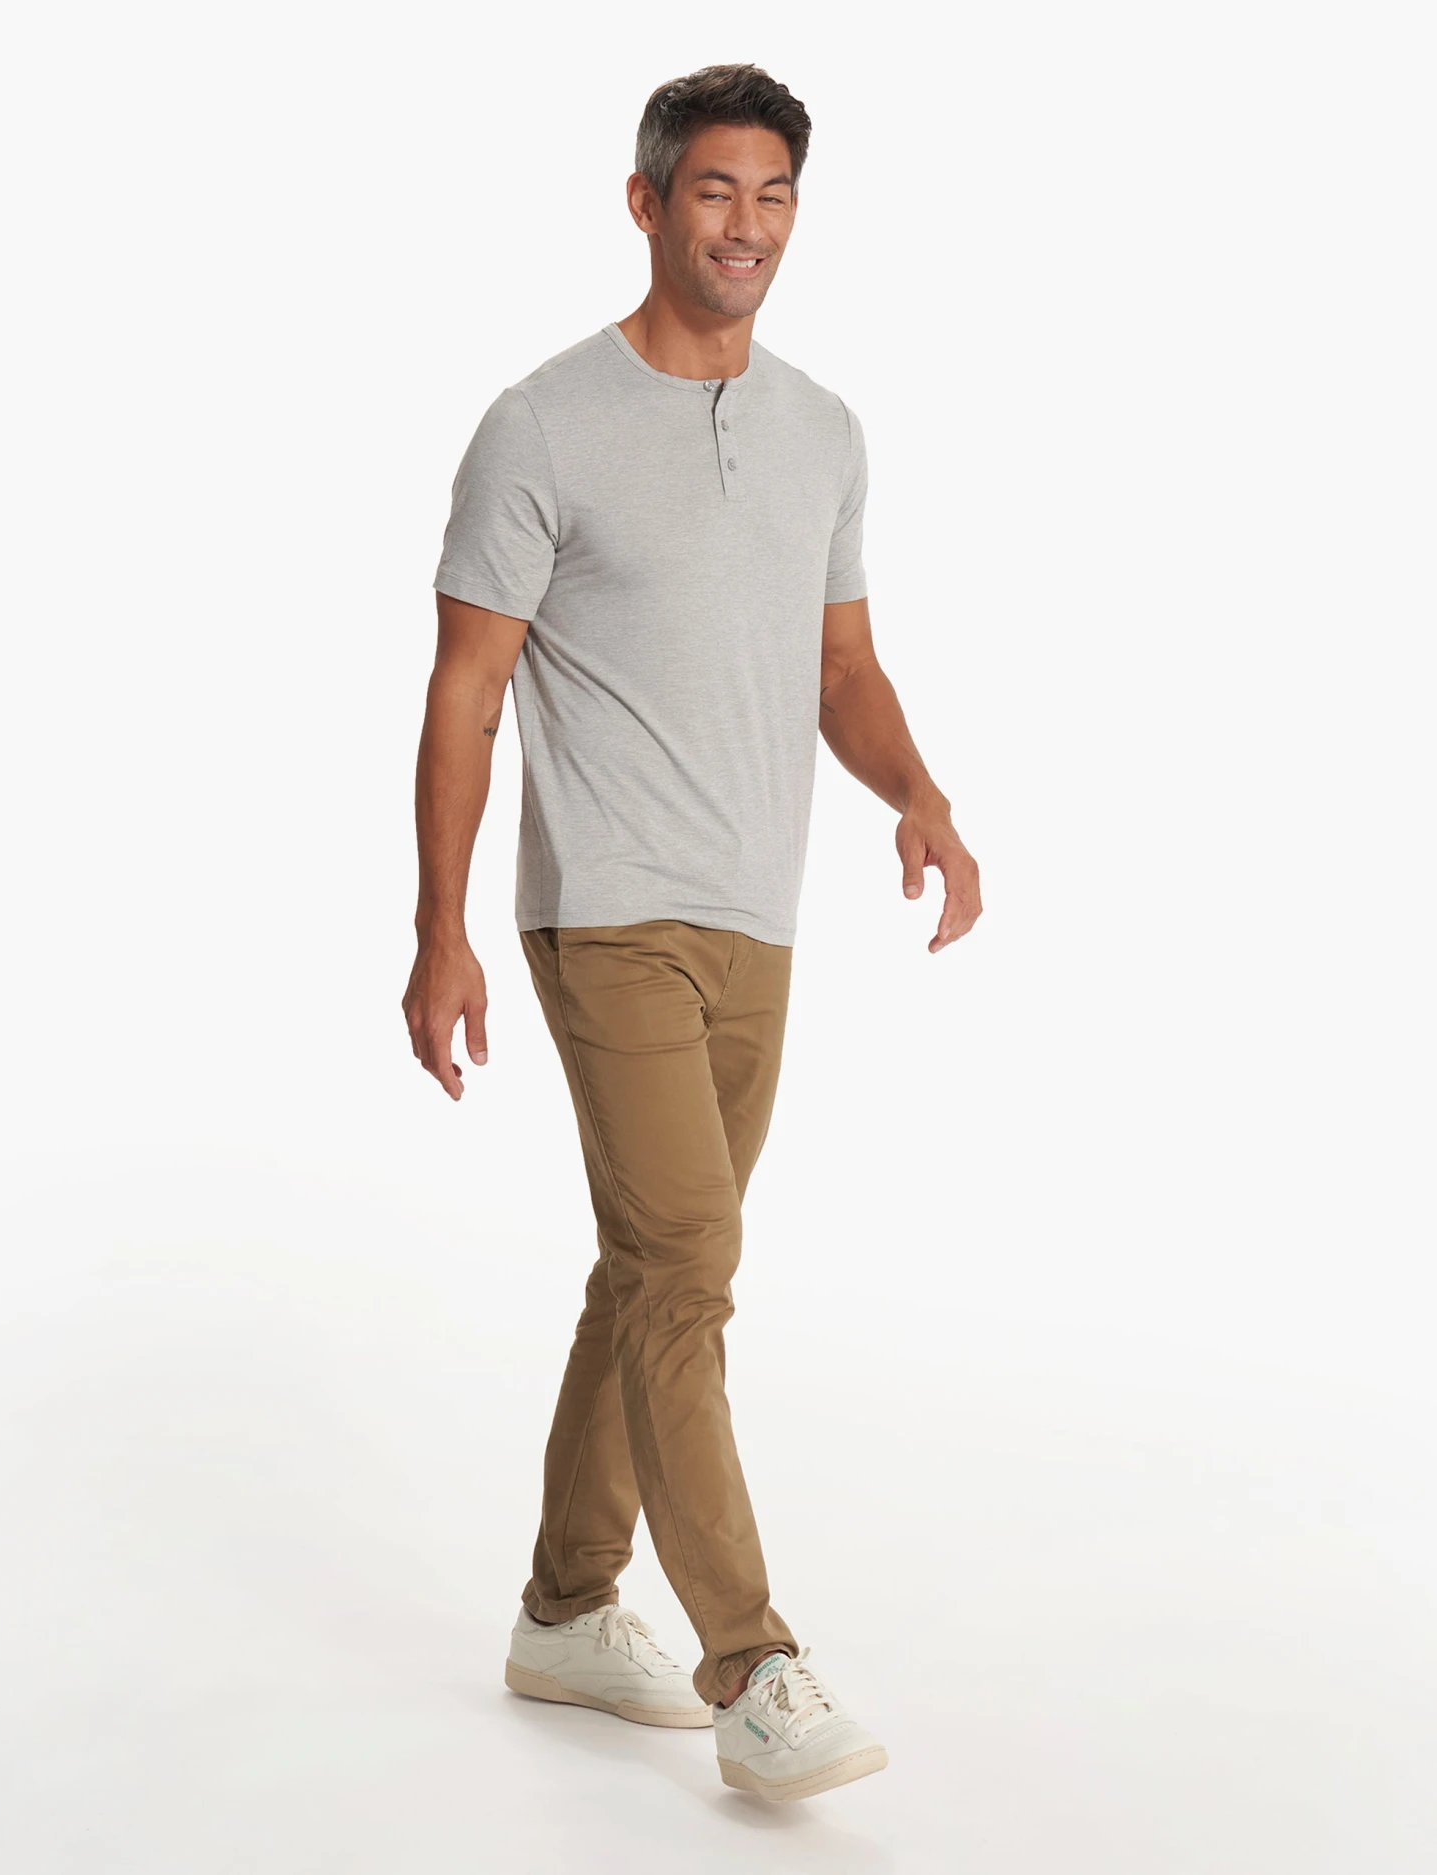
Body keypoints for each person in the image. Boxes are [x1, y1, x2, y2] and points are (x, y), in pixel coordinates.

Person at [404, 62, 981, 1803]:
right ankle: (755, 1662)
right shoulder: (542, 425)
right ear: (647, 202)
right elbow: (466, 688)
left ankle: (566, 1608)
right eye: (715, 190)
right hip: (605, 911)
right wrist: (441, 929)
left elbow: (841, 666)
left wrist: (919, 794)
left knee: (653, 1267)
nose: (747, 225)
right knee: (691, 1268)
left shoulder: (825, 432)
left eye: (774, 194)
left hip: (758, 917)